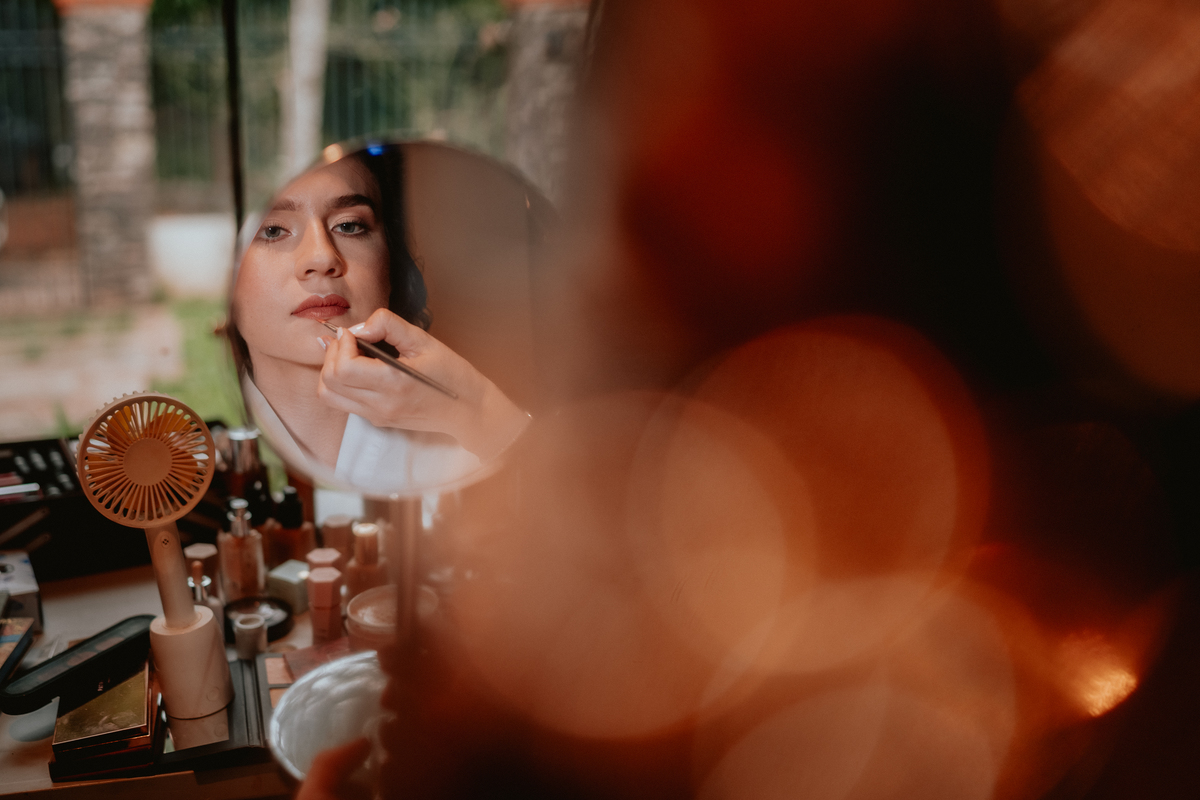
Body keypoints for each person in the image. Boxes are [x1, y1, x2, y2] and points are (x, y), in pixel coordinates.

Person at [229, 146, 530, 495]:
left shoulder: (468, 451)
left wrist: (481, 410)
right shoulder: (189, 456)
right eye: (272, 231)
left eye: (349, 226)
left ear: (391, 263)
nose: (322, 258)